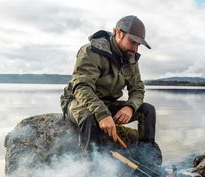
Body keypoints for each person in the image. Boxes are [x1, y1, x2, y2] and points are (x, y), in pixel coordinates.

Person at [61, 15, 157, 154]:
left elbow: (137, 89)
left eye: (138, 44)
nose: (135, 49)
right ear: (118, 33)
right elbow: (82, 87)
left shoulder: (131, 59)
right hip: (77, 101)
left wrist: (130, 107)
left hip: (107, 103)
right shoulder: (90, 51)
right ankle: (93, 166)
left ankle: (147, 158)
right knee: (89, 117)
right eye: (132, 42)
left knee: (148, 110)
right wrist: (102, 114)